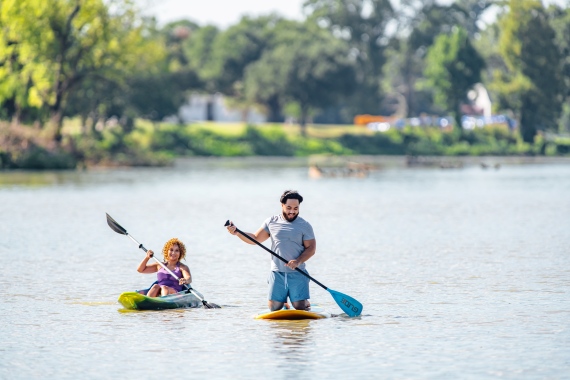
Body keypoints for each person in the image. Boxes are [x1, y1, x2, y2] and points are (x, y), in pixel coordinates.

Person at [226, 190, 316, 311]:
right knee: (274, 308)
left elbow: (311, 248)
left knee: (299, 307)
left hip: (298, 272)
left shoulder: (305, 225)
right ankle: (283, 302)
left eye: (296, 208)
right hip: (277, 272)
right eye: (289, 207)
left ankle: (304, 302)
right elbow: (255, 239)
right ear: (282, 205)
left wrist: (298, 261)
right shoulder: (271, 222)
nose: (292, 211)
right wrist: (237, 232)